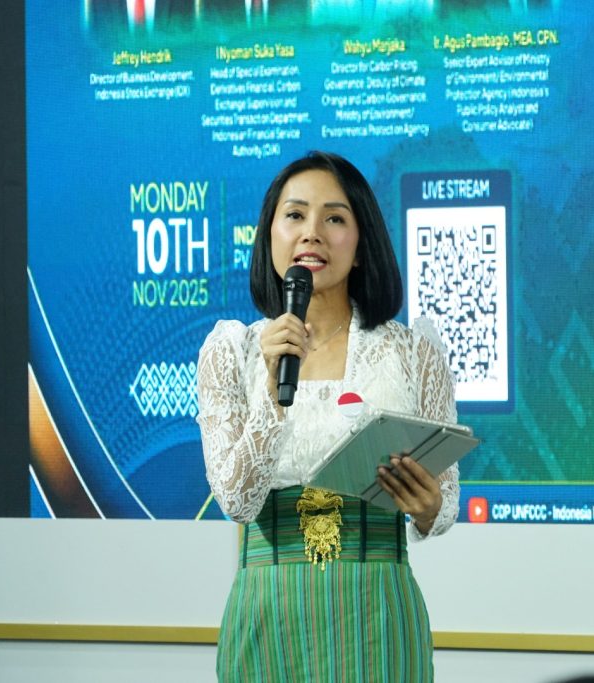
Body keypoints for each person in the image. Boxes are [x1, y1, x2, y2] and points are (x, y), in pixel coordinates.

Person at [195, 151, 460, 681]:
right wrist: (272, 392)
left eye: (334, 218)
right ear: (270, 236)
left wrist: (430, 506)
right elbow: (236, 501)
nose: (311, 233)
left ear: (360, 246)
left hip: (378, 612)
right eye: (295, 215)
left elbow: (446, 499)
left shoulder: (413, 353)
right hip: (267, 615)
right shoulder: (232, 352)